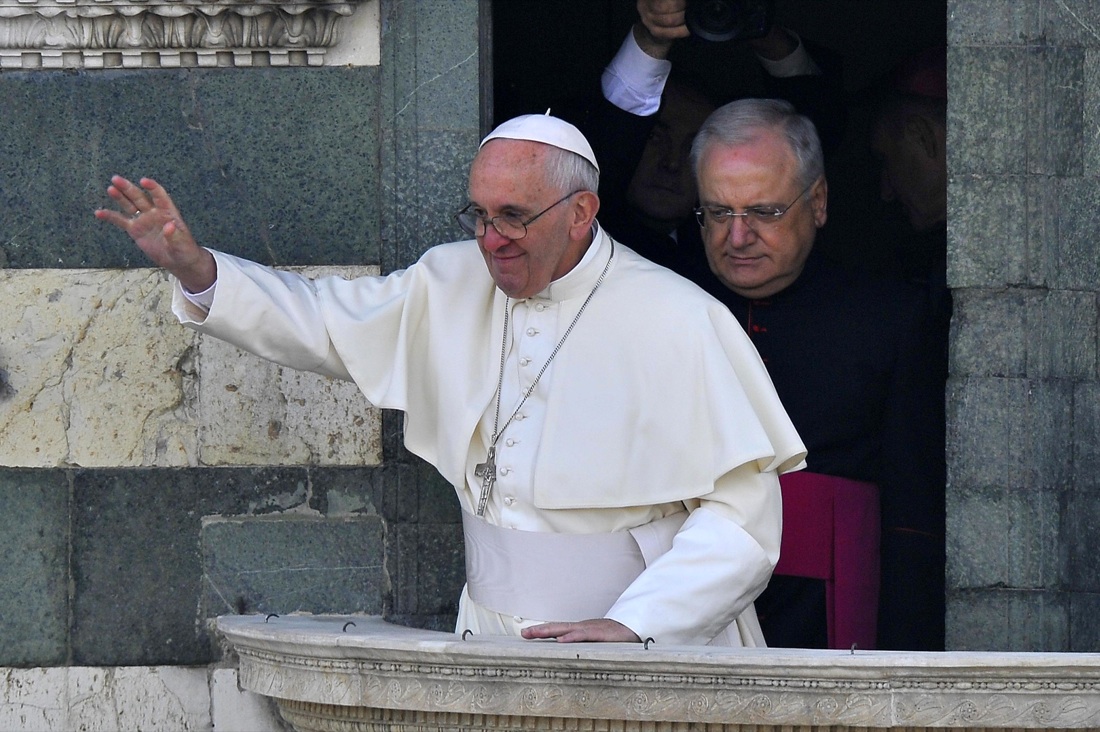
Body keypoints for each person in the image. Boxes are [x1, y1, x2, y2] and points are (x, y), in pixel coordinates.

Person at [95, 113, 807, 647]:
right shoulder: (449, 280)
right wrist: (198, 271)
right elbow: (322, 321)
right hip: (489, 635)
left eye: (515, 218)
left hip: (645, 648)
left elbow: (742, 525)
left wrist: (635, 624)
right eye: (480, 214)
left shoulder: (681, 318)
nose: (491, 239)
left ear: (581, 213)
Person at [688, 97, 946, 651]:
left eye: (764, 212)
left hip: (833, 610)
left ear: (819, 202)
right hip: (683, 605)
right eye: (718, 212)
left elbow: (912, 512)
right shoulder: (663, 310)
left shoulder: (890, 319)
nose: (737, 237)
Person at [575, 0, 843, 279]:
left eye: (693, 147)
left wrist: (758, 24)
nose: (672, 163)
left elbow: (818, 128)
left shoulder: (731, 255)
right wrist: (653, 36)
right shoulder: (580, 236)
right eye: (656, 136)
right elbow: (601, 147)